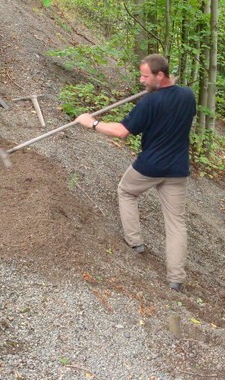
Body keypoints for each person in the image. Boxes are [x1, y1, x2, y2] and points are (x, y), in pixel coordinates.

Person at [75, 54, 197, 292]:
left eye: (145, 76)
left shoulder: (149, 103)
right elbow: (175, 105)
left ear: (159, 75)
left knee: (126, 192)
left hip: (150, 166)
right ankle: (175, 279)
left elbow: (121, 131)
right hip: (177, 168)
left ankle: (134, 242)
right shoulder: (188, 96)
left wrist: (92, 123)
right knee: (176, 223)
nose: (141, 80)